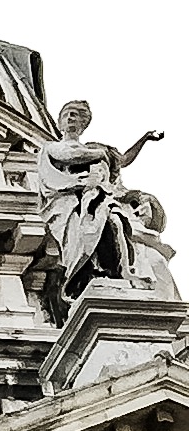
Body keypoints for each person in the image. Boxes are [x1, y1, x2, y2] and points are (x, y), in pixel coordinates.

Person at [39, 102, 168, 303]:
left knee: (115, 222)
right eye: (67, 115)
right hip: (73, 201)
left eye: (75, 115)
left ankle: (118, 271)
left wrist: (144, 139)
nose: (70, 118)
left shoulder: (94, 148)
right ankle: (82, 275)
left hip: (97, 197)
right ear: (60, 123)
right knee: (87, 230)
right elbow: (68, 156)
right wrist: (99, 155)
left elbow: (123, 159)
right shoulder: (54, 147)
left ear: (83, 124)